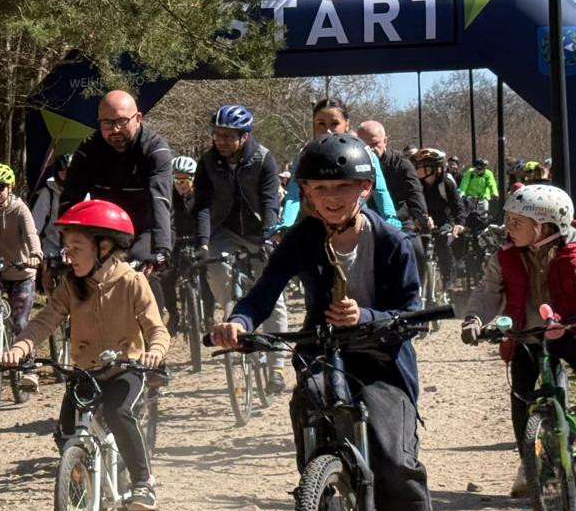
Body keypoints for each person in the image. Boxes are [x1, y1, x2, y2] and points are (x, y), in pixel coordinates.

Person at [210, 132, 459, 511]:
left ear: (365, 189)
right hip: (324, 352)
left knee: (394, 458)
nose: (330, 198)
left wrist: (365, 318)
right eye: (319, 189)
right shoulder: (302, 238)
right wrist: (239, 322)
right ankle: (314, 498)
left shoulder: (392, 242)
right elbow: (264, 292)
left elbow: (409, 310)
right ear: (305, 192)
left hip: (382, 359)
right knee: (309, 402)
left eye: (343, 187)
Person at [0, 200, 168, 511]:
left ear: (104, 247)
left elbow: (156, 329)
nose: (68, 255)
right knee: (65, 433)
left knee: (118, 413)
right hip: (85, 373)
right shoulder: (71, 286)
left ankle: (143, 483)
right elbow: (44, 320)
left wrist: (155, 352)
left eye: (76, 247)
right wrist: (21, 347)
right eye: (67, 247)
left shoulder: (133, 282)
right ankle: (79, 474)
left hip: (124, 370)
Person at [460, 185, 576, 495]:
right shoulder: (504, 257)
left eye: (517, 222)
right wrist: (474, 319)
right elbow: (488, 291)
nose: (508, 228)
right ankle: (528, 462)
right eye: (507, 220)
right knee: (520, 396)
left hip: (563, 326)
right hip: (525, 333)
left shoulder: (573, 254)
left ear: (543, 227)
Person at [195, 105, 288, 391]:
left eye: (228, 135)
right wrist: (203, 241)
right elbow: (201, 205)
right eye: (217, 134)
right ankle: (233, 316)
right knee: (216, 268)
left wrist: (272, 235)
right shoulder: (208, 162)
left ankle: (276, 367)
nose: (220, 140)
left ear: (245, 136)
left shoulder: (263, 159)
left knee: (274, 297)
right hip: (225, 231)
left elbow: (270, 200)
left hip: (260, 231)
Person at [60, 90, 175, 284]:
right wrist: (64, 244)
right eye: (107, 123)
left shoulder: (155, 150)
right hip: (107, 227)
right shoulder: (88, 151)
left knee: (140, 272)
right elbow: (70, 200)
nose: (115, 130)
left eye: (122, 121)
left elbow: (160, 202)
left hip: (147, 227)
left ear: (138, 118)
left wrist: (161, 250)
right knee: (86, 274)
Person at [277, 97, 401, 229]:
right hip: (316, 226)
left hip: (355, 225)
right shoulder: (304, 156)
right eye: (321, 124)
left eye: (334, 123)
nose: (328, 130)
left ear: (346, 124)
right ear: (313, 124)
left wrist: (390, 216)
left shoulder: (364, 153)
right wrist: (286, 222)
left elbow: (380, 191)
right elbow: (293, 195)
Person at [0, 162, 43, 393]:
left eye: (0, 187)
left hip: (22, 272)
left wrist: (35, 255)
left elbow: (32, 234)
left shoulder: (19, 209)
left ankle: (29, 369)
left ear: (10, 187)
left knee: (20, 321)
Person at [161, 155, 211, 330]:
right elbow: (167, 221)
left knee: (206, 275)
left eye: (184, 179)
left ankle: (209, 316)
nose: (179, 183)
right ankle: (174, 313)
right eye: (176, 179)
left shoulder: (201, 195)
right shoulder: (169, 196)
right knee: (166, 276)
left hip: (197, 240)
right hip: (176, 240)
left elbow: (203, 219)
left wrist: (204, 243)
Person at [357, 120, 428, 232]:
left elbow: (414, 191)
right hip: (367, 218)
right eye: (365, 145)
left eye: (375, 144)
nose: (370, 150)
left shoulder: (401, 162)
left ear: (385, 141)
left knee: (414, 247)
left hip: (400, 219)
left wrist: (421, 217)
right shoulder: (354, 164)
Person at [414, 148, 462, 288]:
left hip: (445, 219)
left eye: (421, 166)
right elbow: (411, 203)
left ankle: (448, 280)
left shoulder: (446, 183)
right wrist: (416, 218)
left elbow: (458, 205)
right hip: (425, 219)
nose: (418, 169)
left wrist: (459, 223)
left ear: (433, 168)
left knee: (443, 242)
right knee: (417, 247)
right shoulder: (418, 183)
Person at [30, 152, 72, 277]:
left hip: (75, 242)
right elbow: (37, 219)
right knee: (48, 273)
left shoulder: (83, 191)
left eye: (68, 171)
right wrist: (32, 242)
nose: (65, 175)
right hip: (51, 242)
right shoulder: (49, 191)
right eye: (62, 171)